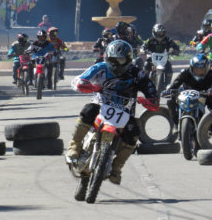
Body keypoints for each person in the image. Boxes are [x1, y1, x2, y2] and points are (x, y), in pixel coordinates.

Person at [66, 40, 159, 185]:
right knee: (88, 111)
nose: (116, 64)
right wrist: (83, 84)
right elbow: (78, 80)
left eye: (120, 60)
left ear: (128, 59)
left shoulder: (137, 73)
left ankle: (117, 167)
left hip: (125, 110)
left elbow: (151, 90)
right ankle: (74, 146)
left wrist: (151, 100)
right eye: (112, 60)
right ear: (107, 57)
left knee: (134, 132)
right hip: (100, 103)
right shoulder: (99, 67)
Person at [162, 53, 212, 134]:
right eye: (196, 69)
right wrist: (168, 90)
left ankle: (210, 126)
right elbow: (175, 84)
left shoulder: (210, 74)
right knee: (170, 100)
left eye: (202, 69)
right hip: (186, 95)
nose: (199, 71)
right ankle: (176, 124)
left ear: (206, 68)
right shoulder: (185, 73)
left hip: (205, 95)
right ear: (192, 68)